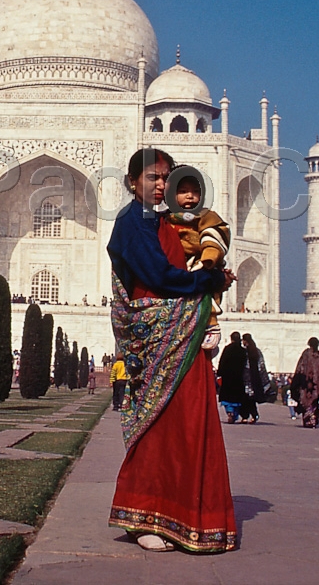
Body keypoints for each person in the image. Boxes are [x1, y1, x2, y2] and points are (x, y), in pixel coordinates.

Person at [107, 148, 237, 553]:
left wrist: (210, 273)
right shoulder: (131, 222)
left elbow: (190, 257)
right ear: (133, 182)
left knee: (191, 423)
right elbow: (159, 277)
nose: (161, 185)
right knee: (160, 425)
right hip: (160, 334)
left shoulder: (162, 220)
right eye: (152, 178)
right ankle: (145, 514)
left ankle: (185, 517)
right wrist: (205, 282)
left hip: (183, 331)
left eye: (165, 177)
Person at [166, 172, 229, 353]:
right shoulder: (166, 219)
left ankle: (211, 325)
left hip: (200, 261)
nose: (190, 196)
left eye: (195, 191)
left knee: (206, 294)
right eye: (183, 191)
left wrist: (209, 257)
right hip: (176, 267)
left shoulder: (206, 216)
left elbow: (216, 234)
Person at [292, 337, 319, 428]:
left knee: (306, 401)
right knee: (314, 402)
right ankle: (314, 420)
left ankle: (307, 420)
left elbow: (300, 366)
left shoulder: (306, 353)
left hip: (306, 381)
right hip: (317, 383)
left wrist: (296, 379)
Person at [239, 333, 271, 423]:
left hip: (246, 379)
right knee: (250, 399)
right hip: (254, 379)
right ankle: (253, 415)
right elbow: (261, 365)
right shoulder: (256, 351)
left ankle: (246, 416)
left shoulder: (244, 352)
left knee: (245, 399)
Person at [217, 332, 247, 423]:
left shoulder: (227, 349)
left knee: (227, 397)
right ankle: (234, 414)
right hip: (238, 378)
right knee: (237, 399)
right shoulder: (242, 351)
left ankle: (229, 412)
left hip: (228, 377)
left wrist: (220, 372)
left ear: (231, 339)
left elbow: (222, 361)